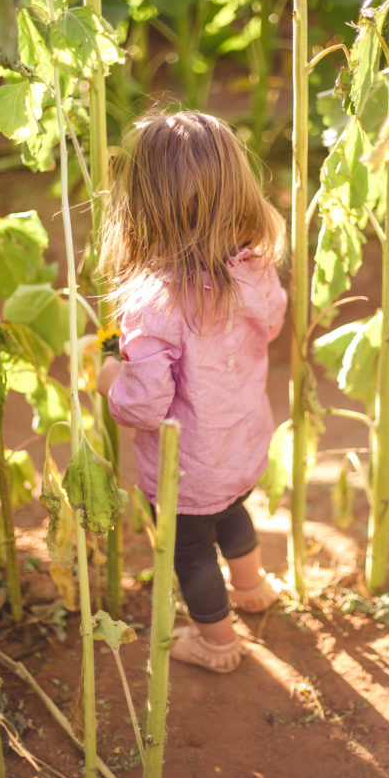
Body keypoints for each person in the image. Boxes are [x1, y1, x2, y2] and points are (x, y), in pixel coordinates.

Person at [96, 109, 287, 674]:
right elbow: (272, 323)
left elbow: (146, 402)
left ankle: (218, 641)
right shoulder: (255, 266)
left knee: (190, 550)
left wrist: (107, 376)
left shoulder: (153, 302)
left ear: (143, 207)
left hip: (187, 469)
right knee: (231, 514)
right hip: (242, 442)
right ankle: (252, 590)